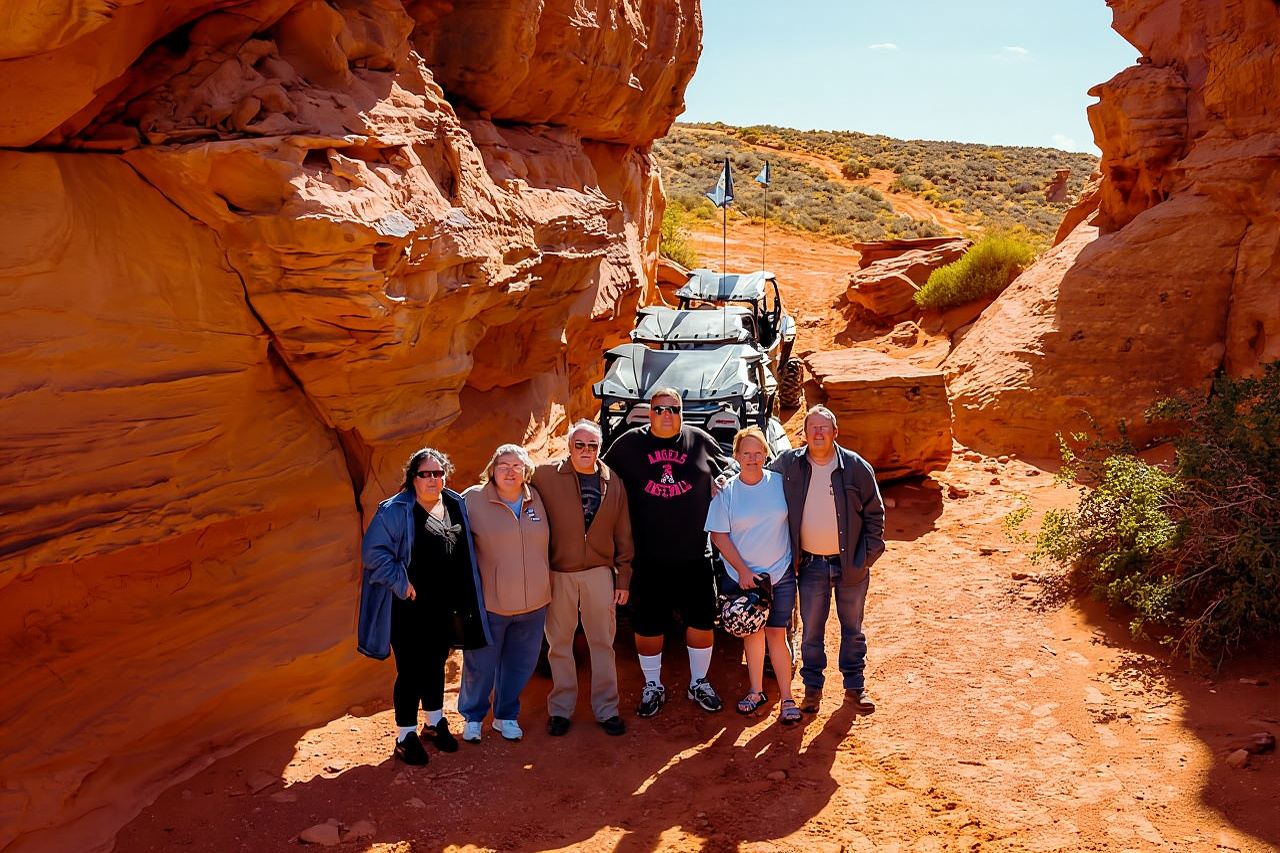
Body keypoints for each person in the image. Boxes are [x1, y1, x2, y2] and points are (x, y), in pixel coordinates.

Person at [357, 447, 492, 766]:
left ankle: (434, 723)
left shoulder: (455, 503)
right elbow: (373, 554)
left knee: (436, 663)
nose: (433, 479)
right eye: (425, 474)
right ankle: (405, 736)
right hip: (407, 608)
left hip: (445, 605)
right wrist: (401, 584)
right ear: (412, 477)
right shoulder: (394, 510)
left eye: (438, 473)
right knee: (411, 670)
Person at [603, 387, 729, 718]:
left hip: (694, 554)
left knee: (702, 620)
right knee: (647, 625)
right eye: (659, 409)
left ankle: (698, 681)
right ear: (649, 412)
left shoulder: (698, 440)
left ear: (682, 411)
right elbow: (600, 476)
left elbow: (730, 466)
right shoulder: (629, 443)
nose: (666, 415)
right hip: (646, 557)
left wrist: (723, 480)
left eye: (673, 409)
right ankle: (652, 685)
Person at [769, 406, 885, 715]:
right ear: (804, 434)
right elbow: (758, 476)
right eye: (812, 428)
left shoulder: (855, 467)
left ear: (836, 432)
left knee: (852, 629)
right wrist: (725, 480)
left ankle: (854, 688)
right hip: (810, 565)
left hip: (851, 565)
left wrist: (868, 556)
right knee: (811, 632)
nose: (818, 433)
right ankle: (812, 691)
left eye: (824, 427)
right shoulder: (789, 465)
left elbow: (875, 513)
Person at [532, 420, 633, 737]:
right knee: (558, 644)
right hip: (558, 573)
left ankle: (606, 710)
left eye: (592, 445)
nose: (586, 450)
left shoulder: (612, 481)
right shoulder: (545, 475)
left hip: (599, 573)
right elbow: (507, 480)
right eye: (580, 444)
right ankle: (560, 710)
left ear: (599, 448)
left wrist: (623, 577)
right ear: (569, 446)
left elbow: (623, 534)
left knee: (602, 643)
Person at [706, 427, 802, 724]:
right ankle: (756, 690)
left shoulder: (779, 484)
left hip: (780, 574)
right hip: (742, 578)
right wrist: (744, 571)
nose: (752, 458)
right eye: (746, 453)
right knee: (753, 634)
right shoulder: (727, 491)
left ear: (766, 454)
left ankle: (787, 697)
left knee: (777, 633)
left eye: (758, 452)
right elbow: (719, 536)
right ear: (736, 456)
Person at [459, 444, 552, 743]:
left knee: (519, 665)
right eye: (504, 466)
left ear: (526, 472)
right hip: (491, 603)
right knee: (480, 665)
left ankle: (505, 716)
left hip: (534, 603)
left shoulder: (537, 498)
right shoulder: (472, 499)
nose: (511, 472)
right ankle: (473, 717)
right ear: (492, 470)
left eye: (517, 466)